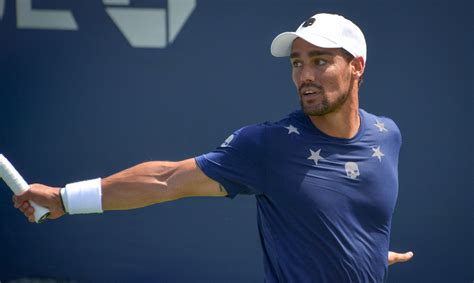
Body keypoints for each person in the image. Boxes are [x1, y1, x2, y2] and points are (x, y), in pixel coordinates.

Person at [13, 12, 413, 282]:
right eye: (296, 62)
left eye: (320, 61)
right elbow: (165, 179)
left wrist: (368, 253)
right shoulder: (267, 146)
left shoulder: (386, 135)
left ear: (356, 66)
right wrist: (65, 198)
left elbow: (355, 214)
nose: (304, 75)